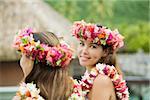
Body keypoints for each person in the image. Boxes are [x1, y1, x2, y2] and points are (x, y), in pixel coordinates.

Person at [12, 28, 83, 100]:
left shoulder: (24, 97)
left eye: (22, 55)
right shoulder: (75, 90)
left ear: (30, 58)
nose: (20, 62)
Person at [72, 20, 129, 100]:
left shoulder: (101, 80)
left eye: (93, 46)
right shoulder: (92, 77)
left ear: (105, 52)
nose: (84, 51)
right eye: (82, 44)